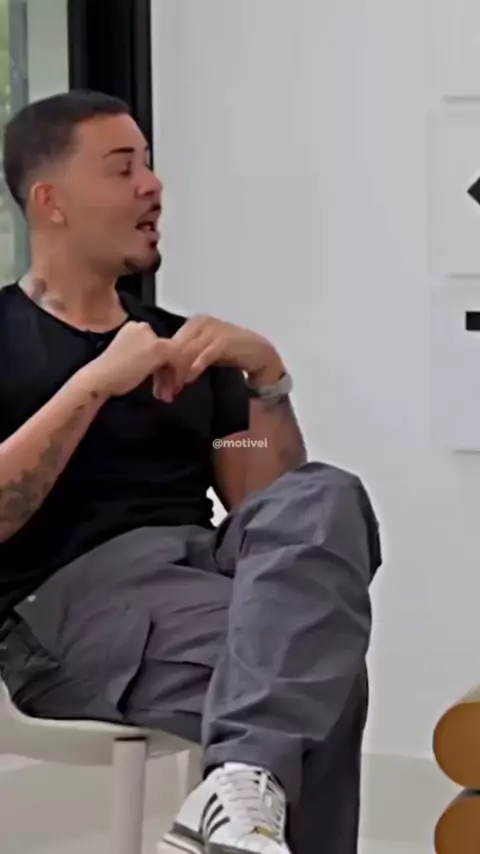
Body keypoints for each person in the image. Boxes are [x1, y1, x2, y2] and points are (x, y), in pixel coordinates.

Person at [0, 90, 381, 854]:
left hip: (200, 567)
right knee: (318, 671)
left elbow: (267, 512)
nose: (153, 185)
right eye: (122, 168)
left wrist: (266, 382)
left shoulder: (182, 348)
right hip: (65, 606)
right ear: (51, 202)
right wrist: (95, 383)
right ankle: (239, 797)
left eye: (148, 164)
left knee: (326, 493)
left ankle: (237, 792)